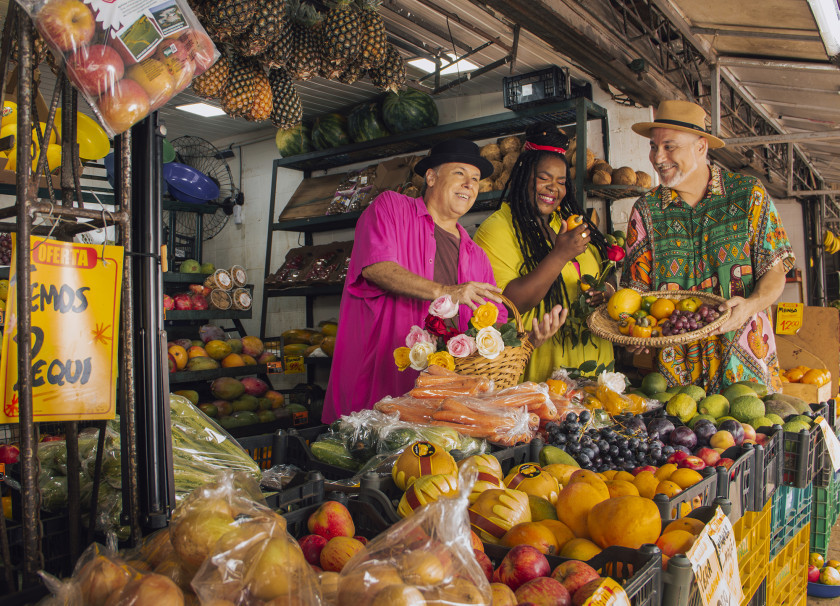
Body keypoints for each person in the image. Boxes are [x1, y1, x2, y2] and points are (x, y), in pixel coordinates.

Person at [322, 138, 566, 423]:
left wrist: (528, 342)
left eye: (475, 178)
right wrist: (447, 292)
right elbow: (376, 268)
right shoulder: (391, 208)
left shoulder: (477, 257)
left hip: (440, 408)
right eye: (460, 173)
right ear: (431, 177)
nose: (469, 184)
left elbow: (492, 332)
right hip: (376, 394)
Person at [623, 99, 795, 393]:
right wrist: (633, 329)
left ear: (701, 147)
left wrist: (751, 305)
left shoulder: (747, 195)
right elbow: (636, 294)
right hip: (676, 376)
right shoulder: (646, 211)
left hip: (745, 366)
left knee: (752, 420)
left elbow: (775, 272)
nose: (658, 157)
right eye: (654, 146)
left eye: (669, 146)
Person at [474, 124, 614, 383]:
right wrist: (559, 255)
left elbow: (604, 273)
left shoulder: (567, 223)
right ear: (523, 177)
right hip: (542, 373)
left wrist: (606, 291)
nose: (554, 188)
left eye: (561, 182)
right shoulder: (496, 229)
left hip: (595, 368)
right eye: (544, 178)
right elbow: (507, 304)